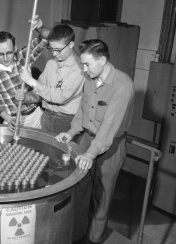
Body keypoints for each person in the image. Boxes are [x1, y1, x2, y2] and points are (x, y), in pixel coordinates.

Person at [56, 39, 134, 244]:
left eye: (87, 64)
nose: (84, 69)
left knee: (102, 196)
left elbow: (109, 126)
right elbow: (83, 109)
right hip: (87, 139)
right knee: (79, 187)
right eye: (82, 64)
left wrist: (90, 154)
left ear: (102, 60)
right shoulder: (90, 77)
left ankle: (94, 239)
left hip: (109, 147)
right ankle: (77, 235)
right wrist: (72, 132)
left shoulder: (123, 85)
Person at [0, 16, 49, 131]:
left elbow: (46, 38)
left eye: (9, 53)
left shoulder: (23, 56)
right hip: (11, 120)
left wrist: (40, 27)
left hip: (34, 117)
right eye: (0, 54)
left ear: (15, 48)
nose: (5, 58)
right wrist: (8, 119)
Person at [19, 24, 85, 135]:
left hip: (66, 121)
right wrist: (26, 97)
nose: (54, 54)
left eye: (58, 50)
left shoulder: (79, 68)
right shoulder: (51, 63)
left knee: (63, 152)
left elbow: (60, 97)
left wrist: (31, 81)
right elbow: (38, 93)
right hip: (46, 117)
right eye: (51, 49)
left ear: (71, 45)